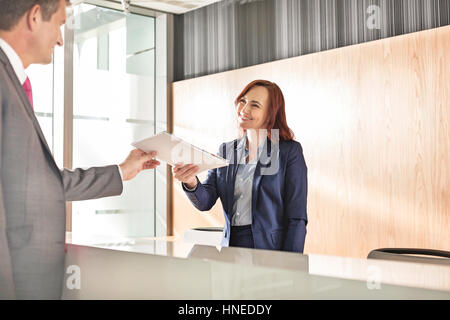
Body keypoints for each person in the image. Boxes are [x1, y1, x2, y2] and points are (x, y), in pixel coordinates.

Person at [0, 0, 160, 299]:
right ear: (35, 17)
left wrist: (121, 172)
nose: (61, 39)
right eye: (59, 24)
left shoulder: (12, 81)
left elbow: (37, 185)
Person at [173, 80, 308, 253]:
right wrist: (191, 181)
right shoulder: (226, 150)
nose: (244, 110)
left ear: (270, 114)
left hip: (269, 250)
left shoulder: (288, 151)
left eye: (255, 105)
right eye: (243, 101)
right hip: (230, 247)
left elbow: (296, 218)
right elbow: (205, 201)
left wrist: (292, 264)